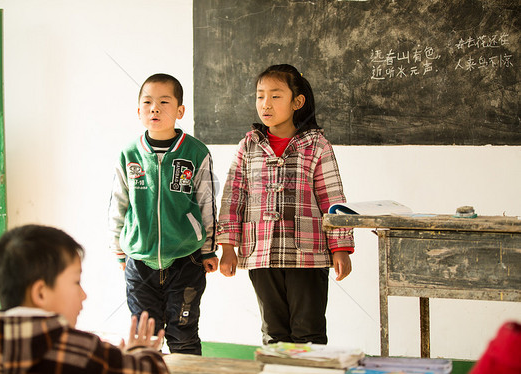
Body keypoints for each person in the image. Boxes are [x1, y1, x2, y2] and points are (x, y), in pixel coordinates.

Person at [217, 64, 355, 345]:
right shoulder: (249, 146)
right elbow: (233, 197)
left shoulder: (316, 145)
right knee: (274, 333)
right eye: (260, 96)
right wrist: (228, 246)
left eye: (275, 96)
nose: (265, 104)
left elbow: (333, 199)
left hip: (307, 254)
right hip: (261, 252)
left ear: (297, 102)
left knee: (309, 331)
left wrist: (340, 248)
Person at [108, 73, 218, 355]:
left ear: (180, 111)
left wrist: (207, 250)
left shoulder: (195, 152)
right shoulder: (129, 154)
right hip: (139, 261)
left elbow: (206, 202)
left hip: (186, 260)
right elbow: (118, 204)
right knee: (145, 340)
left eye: (164, 102)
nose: (154, 108)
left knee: (183, 336)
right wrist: (119, 250)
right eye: (147, 102)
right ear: (139, 111)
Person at [0, 224, 168, 374]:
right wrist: (139, 351)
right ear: (40, 293)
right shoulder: (81, 352)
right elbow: (152, 370)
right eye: (76, 281)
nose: (84, 295)